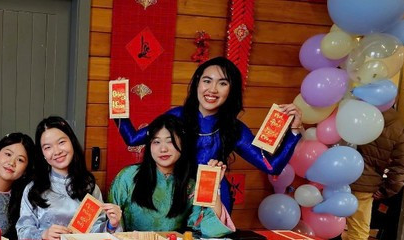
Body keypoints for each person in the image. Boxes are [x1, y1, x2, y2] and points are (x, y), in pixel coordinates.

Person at [115, 56, 303, 211]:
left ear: (231, 90)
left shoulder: (235, 128)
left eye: (222, 83)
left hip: (214, 200)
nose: (212, 89)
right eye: (207, 81)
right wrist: (118, 101)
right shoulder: (176, 116)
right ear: (197, 83)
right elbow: (132, 139)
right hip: (177, 195)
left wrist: (294, 132)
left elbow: (271, 166)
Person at [110, 114, 235, 237]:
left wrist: (214, 187)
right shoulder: (127, 176)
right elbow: (110, 224)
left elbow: (210, 230)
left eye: (170, 141)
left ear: (183, 144)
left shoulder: (191, 184)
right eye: (156, 142)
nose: (163, 149)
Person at [17, 116, 123, 240]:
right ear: (42, 154)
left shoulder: (89, 186)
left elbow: (95, 232)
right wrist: (43, 234)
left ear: (72, 142)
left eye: (61, 142)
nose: (57, 151)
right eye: (47, 147)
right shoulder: (33, 188)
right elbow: (23, 230)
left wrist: (112, 225)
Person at [343, 108, 404, 240]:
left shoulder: (354, 110)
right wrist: (387, 190)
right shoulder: (396, 125)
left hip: (336, 175)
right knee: (358, 231)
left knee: (335, 227)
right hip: (364, 184)